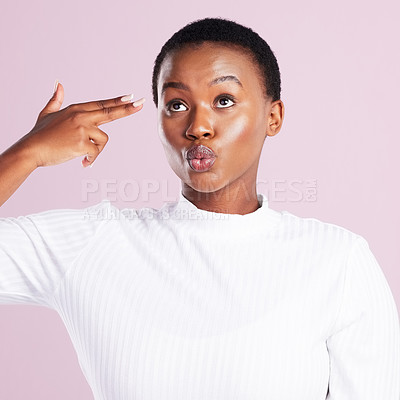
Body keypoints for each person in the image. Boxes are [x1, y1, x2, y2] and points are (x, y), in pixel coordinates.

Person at [0, 17, 399, 400]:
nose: (197, 126)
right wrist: (27, 154)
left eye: (223, 99)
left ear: (273, 117)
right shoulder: (92, 245)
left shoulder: (337, 262)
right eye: (176, 105)